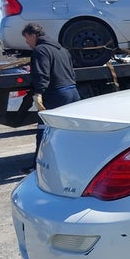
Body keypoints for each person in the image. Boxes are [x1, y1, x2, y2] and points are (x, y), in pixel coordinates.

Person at [21, 22, 80, 172]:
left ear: (33, 35)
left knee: (44, 131)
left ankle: (38, 166)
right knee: (73, 131)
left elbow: (42, 74)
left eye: (27, 38)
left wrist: (38, 93)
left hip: (56, 95)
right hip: (72, 92)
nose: (27, 42)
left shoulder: (41, 51)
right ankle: (76, 161)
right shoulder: (62, 50)